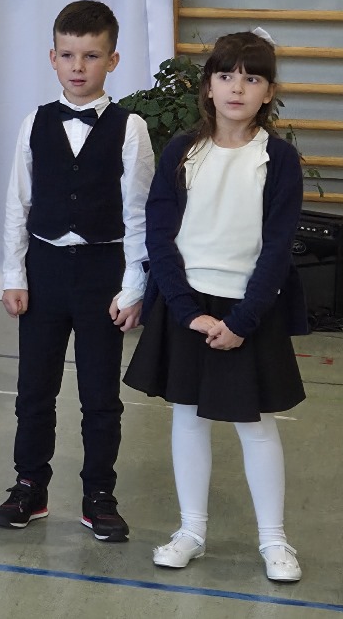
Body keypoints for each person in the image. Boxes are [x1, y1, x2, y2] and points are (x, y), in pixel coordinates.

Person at [123, 30, 307, 583]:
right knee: (187, 416)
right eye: (226, 76)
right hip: (189, 304)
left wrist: (243, 320)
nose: (237, 88)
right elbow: (160, 235)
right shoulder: (182, 151)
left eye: (251, 79)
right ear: (208, 86)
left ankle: (274, 540)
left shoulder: (279, 159)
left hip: (251, 307)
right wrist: (187, 310)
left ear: (268, 91)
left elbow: (277, 247)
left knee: (256, 425)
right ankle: (191, 531)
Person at [0, 0, 152, 541]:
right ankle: (29, 486)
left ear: (113, 60)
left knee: (100, 395)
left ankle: (99, 494)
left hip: (103, 272)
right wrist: (14, 276)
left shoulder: (130, 128)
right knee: (33, 390)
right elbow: (18, 203)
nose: (78, 66)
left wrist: (134, 286)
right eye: (68, 55)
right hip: (44, 271)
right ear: (52, 58)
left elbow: (139, 213)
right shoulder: (34, 122)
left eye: (91, 56)